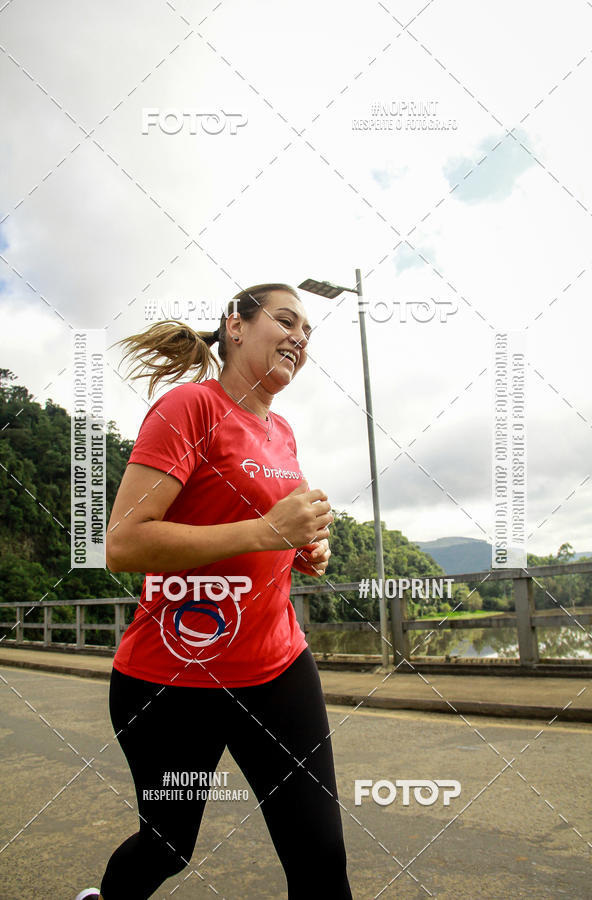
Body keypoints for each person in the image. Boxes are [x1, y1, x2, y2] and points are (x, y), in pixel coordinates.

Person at [75, 283, 353, 900]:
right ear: (235, 326)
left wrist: (302, 548)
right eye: (286, 321)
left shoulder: (282, 432)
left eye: (308, 333)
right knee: (167, 846)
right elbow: (123, 543)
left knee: (320, 857)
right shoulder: (189, 409)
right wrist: (265, 529)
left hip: (276, 667)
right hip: (172, 680)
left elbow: (269, 536)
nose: (300, 339)